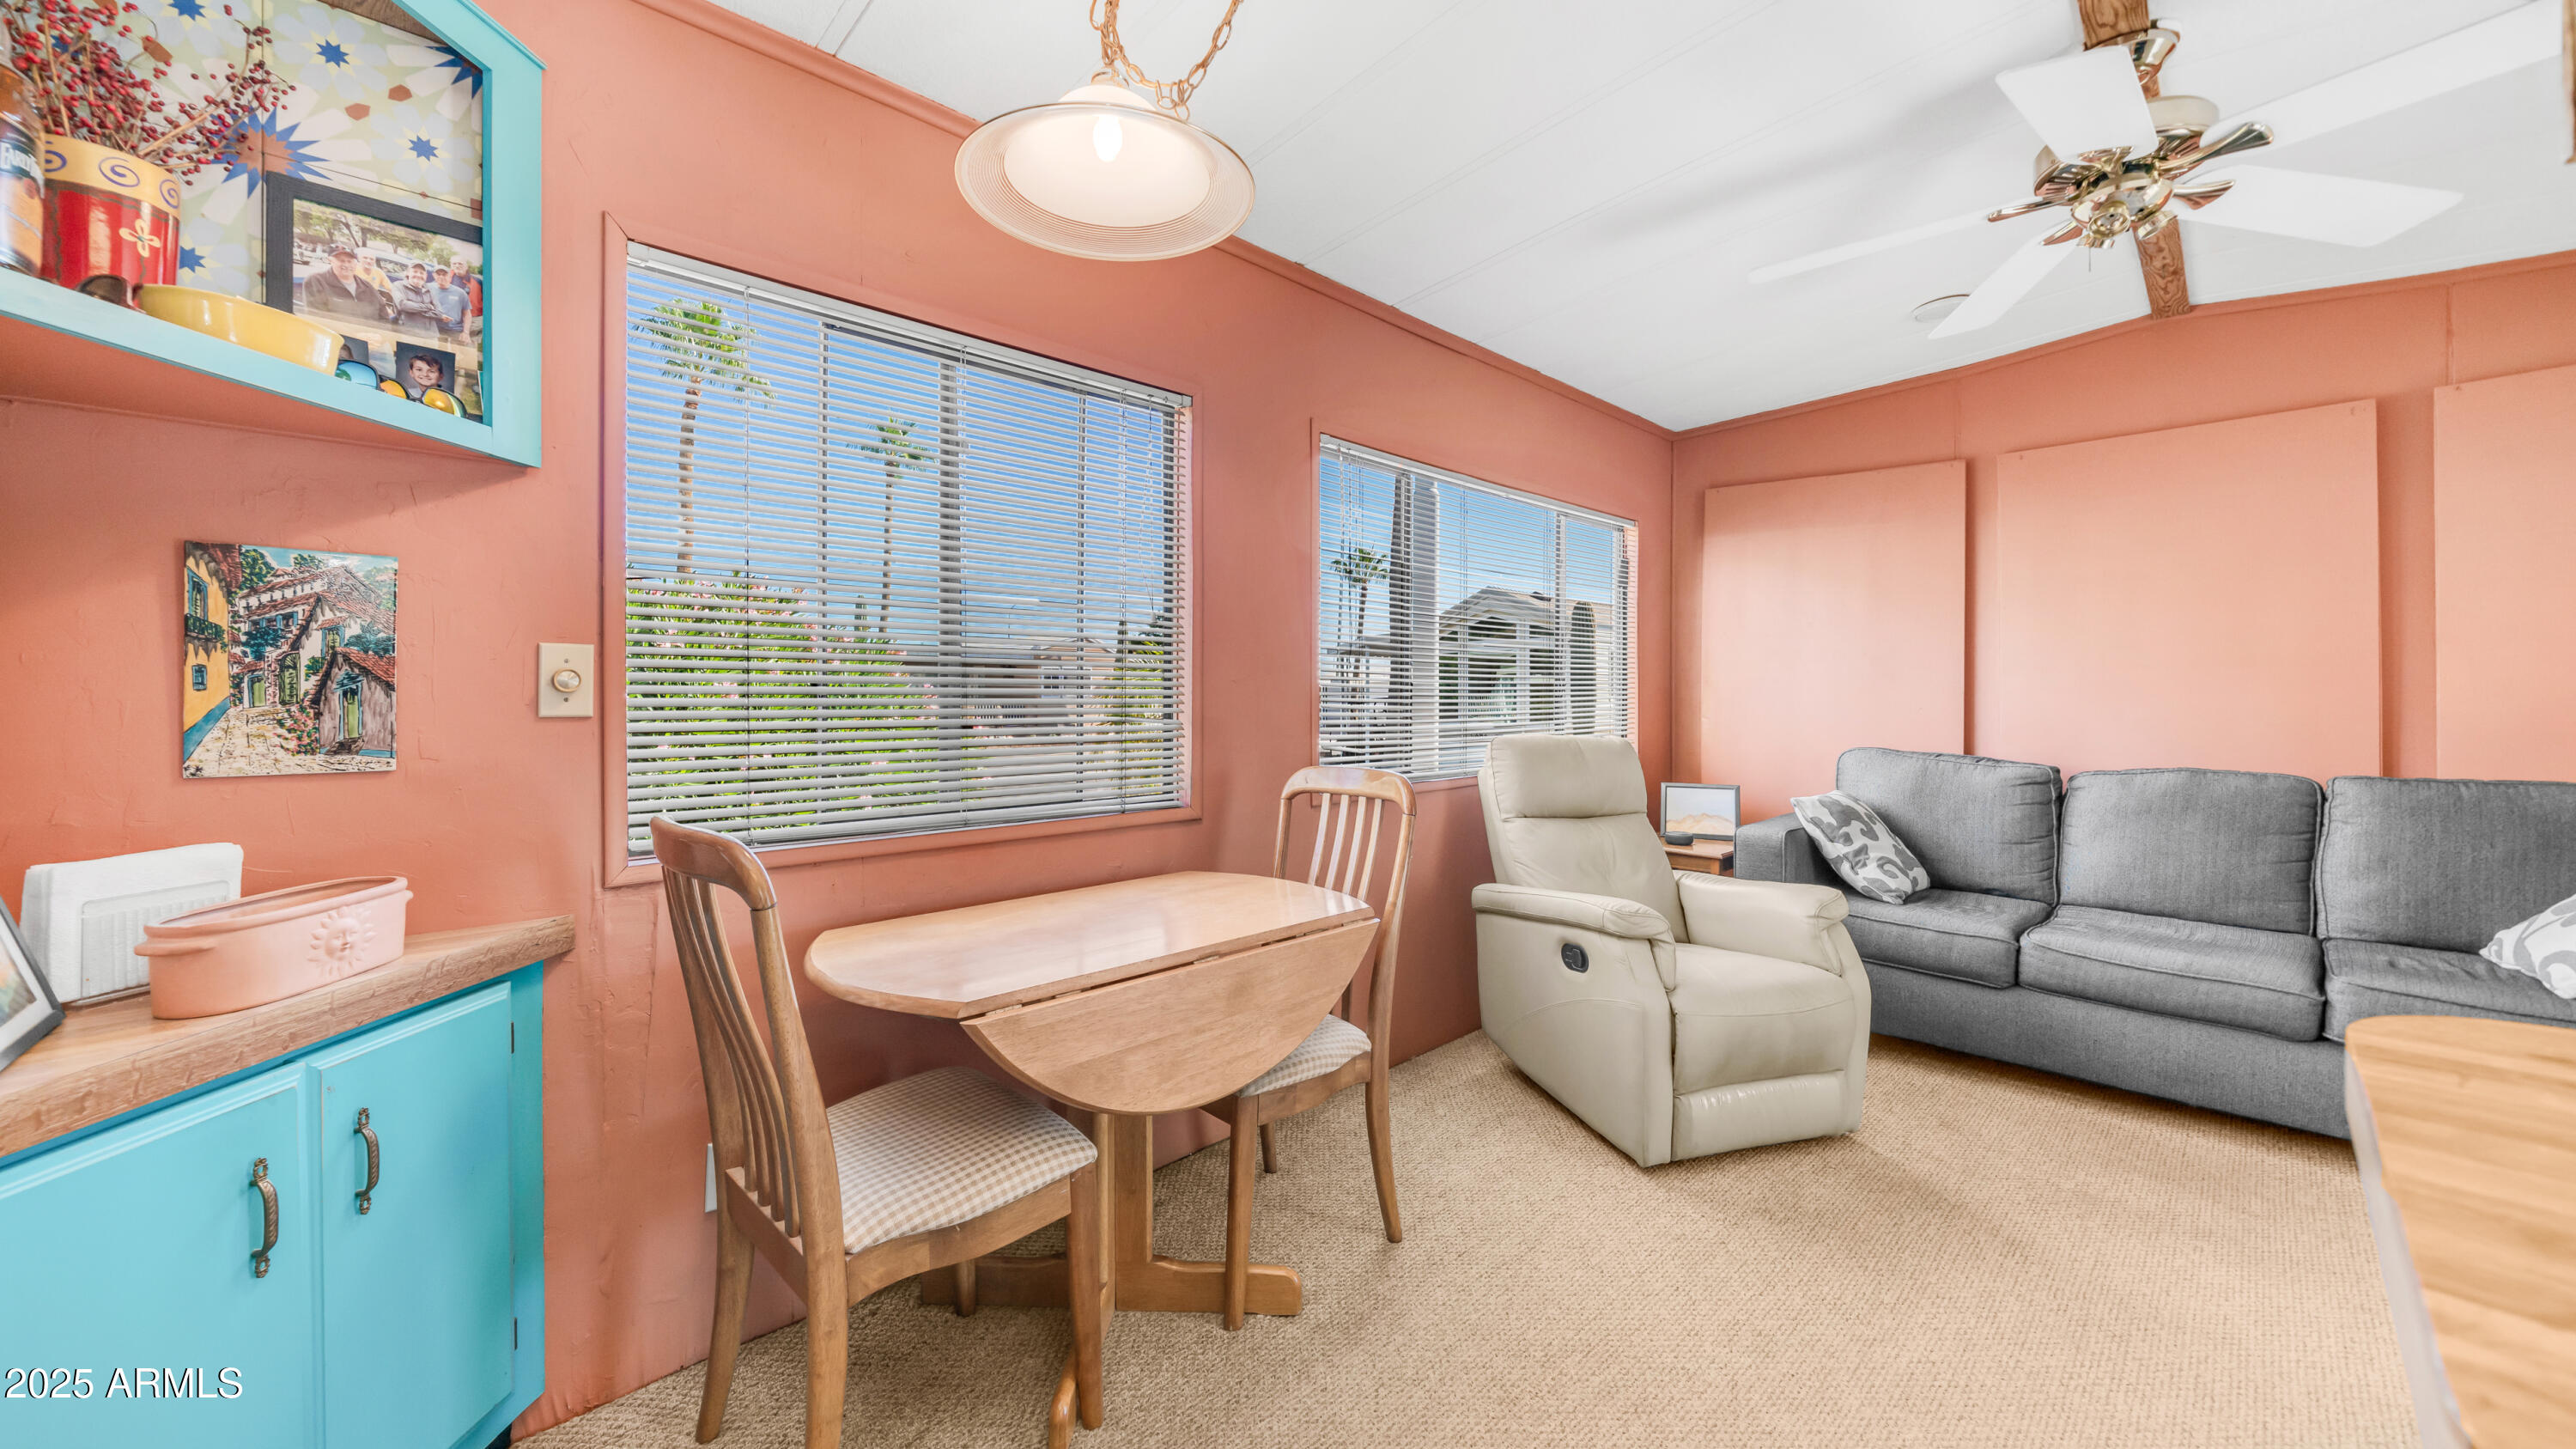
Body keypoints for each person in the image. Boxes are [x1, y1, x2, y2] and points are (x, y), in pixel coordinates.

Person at [300, 246, 386, 320]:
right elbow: (317, 317)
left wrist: (379, 332)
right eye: (341, 261)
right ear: (330, 261)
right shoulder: (316, 281)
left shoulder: (367, 286)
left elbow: (384, 316)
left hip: (370, 334)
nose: (346, 265)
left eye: (349, 261)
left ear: (356, 263)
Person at [387, 260, 443, 335]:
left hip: (431, 336)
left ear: (426, 276)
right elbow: (402, 305)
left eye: (421, 273)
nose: (418, 275)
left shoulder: (430, 290)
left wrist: (413, 310)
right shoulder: (398, 285)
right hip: (408, 334)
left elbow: (439, 313)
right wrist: (428, 307)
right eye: (415, 272)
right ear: (408, 273)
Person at [430, 265, 472, 339]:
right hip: (433, 328)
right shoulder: (428, 288)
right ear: (434, 276)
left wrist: (466, 332)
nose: (441, 277)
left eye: (444, 274)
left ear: (450, 276)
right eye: (438, 274)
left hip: (454, 330)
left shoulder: (460, 293)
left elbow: (467, 314)